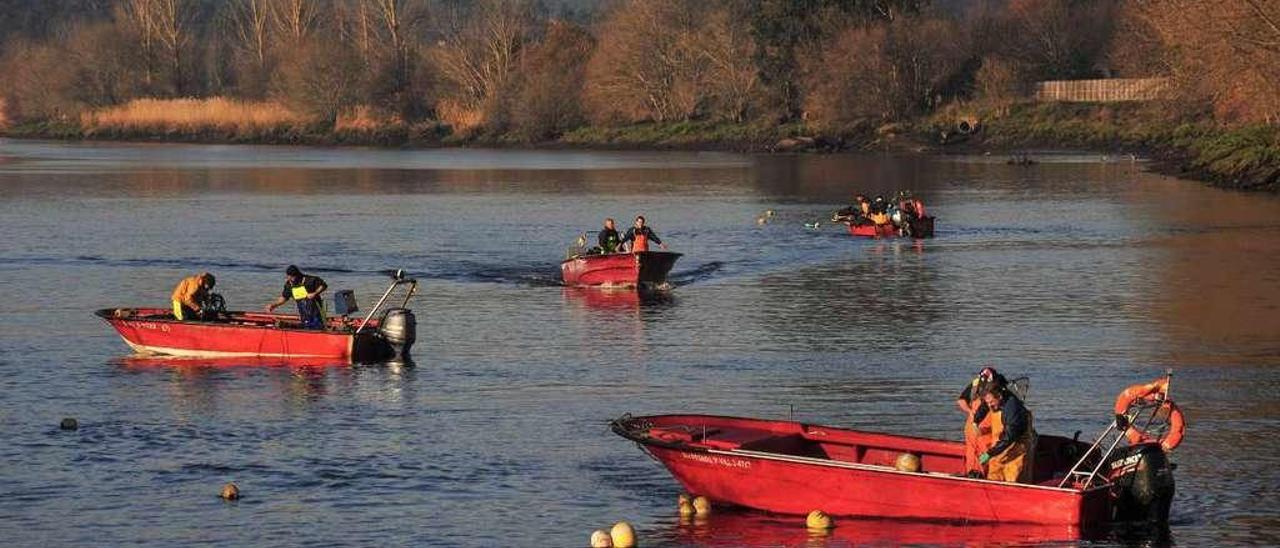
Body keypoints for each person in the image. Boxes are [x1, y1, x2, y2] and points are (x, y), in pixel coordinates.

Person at [973, 378, 1035, 483]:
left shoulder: (1012, 410)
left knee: (1013, 476)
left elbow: (1008, 437)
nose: (990, 406)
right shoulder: (994, 397)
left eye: (992, 402)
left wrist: (990, 453)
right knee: (994, 473)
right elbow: (985, 404)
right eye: (988, 403)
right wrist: (976, 420)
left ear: (1000, 397)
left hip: (1017, 445)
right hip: (1001, 447)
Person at [956, 367, 1004, 477]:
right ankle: (972, 474)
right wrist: (970, 411)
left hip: (989, 428)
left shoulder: (999, 385)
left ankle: (984, 475)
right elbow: (961, 400)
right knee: (972, 452)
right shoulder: (975, 384)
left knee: (986, 451)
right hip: (973, 425)